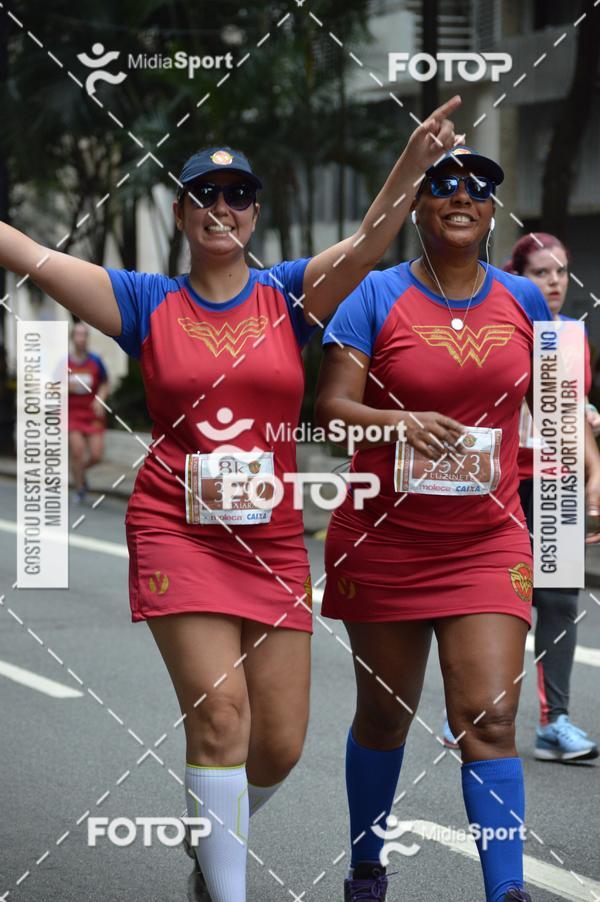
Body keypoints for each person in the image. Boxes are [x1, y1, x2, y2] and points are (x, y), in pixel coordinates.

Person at [0, 98, 461, 902]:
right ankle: (225, 887)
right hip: (176, 530)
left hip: (272, 539)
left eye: (238, 194)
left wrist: (413, 164)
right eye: (204, 195)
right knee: (220, 718)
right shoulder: (143, 300)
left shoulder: (289, 296)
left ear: (254, 213)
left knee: (278, 745)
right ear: (182, 212)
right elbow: (32, 255)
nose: (222, 207)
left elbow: (369, 242)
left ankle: (211, 835)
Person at [315, 147, 600, 901]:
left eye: (478, 187)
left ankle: (505, 890)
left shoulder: (523, 299)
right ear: (418, 205)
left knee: (492, 717)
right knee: (384, 717)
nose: (462, 195)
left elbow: (556, 400)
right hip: (385, 540)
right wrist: (398, 423)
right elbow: (331, 412)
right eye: (443, 184)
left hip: (486, 538)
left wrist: (589, 462)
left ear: (492, 210)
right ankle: (367, 868)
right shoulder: (374, 294)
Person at [507, 233, 599, 762]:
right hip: (502, 481)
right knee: (502, 599)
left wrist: (592, 465)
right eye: (541, 272)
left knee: (560, 600)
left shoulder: (572, 336)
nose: (555, 281)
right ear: (519, 278)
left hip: (556, 478)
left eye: (561, 271)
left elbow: (574, 407)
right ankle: (475, 711)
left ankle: (554, 723)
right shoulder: (503, 328)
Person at [67, 321, 109, 502]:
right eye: (78, 334)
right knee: (77, 451)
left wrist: (100, 399)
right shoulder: (64, 362)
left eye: (84, 335)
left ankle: (77, 470)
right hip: (72, 413)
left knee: (96, 455)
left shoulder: (95, 361)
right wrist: (67, 387)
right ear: (72, 338)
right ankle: (80, 488)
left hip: (92, 413)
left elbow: (105, 383)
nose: (81, 338)